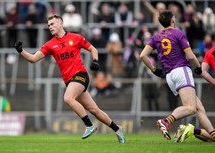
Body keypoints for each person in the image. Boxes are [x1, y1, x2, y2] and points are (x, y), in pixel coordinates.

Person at [14, 14, 125, 143]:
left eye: (53, 24)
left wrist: (95, 60)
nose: (50, 27)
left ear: (61, 23)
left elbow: (93, 49)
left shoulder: (76, 37)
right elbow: (33, 59)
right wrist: (21, 51)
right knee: (95, 110)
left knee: (67, 98)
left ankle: (89, 125)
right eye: (49, 25)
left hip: (80, 75)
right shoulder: (50, 44)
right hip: (70, 81)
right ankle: (117, 129)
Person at [139, 10, 215, 142]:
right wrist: (198, 67)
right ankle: (166, 121)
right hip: (181, 71)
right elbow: (191, 56)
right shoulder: (178, 33)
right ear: (172, 20)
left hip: (169, 76)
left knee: (198, 108)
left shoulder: (156, 37)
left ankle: (211, 134)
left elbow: (142, 55)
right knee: (191, 108)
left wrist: (154, 70)